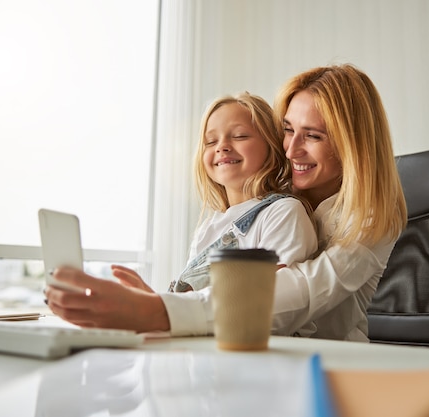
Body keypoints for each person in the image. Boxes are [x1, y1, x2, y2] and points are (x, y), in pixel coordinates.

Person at [46, 64, 407, 342]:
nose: (291, 149)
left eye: (312, 136)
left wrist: (158, 310)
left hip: (332, 368)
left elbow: (302, 291)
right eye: (287, 130)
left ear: (352, 146)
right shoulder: (268, 204)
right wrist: (166, 299)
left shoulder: (370, 217)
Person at [45, 92, 317, 332]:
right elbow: (197, 303)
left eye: (239, 136)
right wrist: (153, 300)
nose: (222, 146)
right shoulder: (209, 226)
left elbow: (276, 308)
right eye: (211, 142)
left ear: (271, 146)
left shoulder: (283, 213)